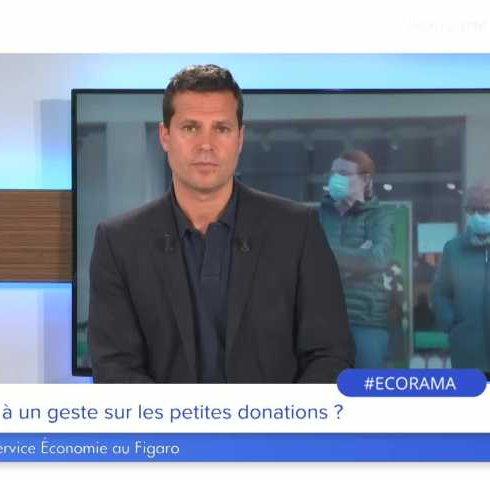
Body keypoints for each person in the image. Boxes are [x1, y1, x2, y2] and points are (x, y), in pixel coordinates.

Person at [87, 65, 354, 383]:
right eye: (190, 128)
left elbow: (329, 355)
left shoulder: (297, 231)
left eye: (222, 129)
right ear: (165, 136)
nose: (206, 145)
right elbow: (115, 366)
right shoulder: (118, 242)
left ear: (239, 138)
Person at [318, 150, 395, 368]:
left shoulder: (380, 216)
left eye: (343, 173)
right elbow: (308, 262)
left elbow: (378, 259)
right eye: (333, 173)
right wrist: (359, 258)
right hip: (323, 321)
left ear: (365, 180)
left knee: (363, 387)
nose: (336, 178)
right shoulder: (319, 216)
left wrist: (327, 254)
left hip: (366, 321)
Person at [432, 179, 490, 372]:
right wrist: (452, 325)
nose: (476, 216)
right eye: (471, 210)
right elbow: (441, 293)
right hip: (466, 351)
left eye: (484, 210)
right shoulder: (453, 249)